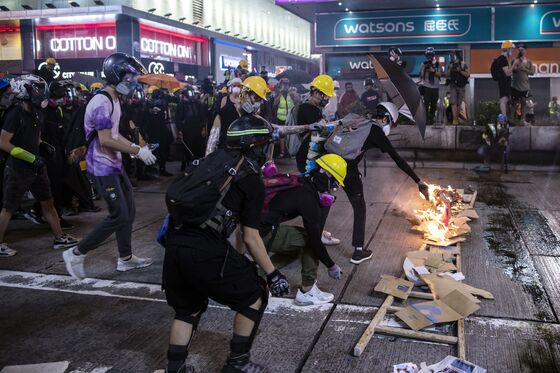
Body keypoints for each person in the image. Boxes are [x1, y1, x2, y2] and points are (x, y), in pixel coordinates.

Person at [161, 108, 290, 373]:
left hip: (175, 246)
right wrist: (273, 274)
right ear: (254, 147)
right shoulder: (251, 179)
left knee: (188, 308)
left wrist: (238, 258)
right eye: (265, 145)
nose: (268, 151)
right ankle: (238, 363)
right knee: (255, 294)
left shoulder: (209, 161)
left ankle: (175, 368)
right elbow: (250, 235)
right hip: (203, 248)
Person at [62, 53, 158, 279]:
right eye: (130, 77)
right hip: (101, 166)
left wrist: (136, 147)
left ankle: (125, 259)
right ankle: (76, 253)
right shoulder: (101, 102)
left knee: (130, 211)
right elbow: (104, 140)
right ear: (117, 75)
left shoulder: (114, 99)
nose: (133, 81)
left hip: (114, 163)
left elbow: (114, 135)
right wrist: (136, 151)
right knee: (119, 215)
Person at [0, 75, 79, 258]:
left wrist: (43, 146)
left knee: (48, 203)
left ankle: (60, 237)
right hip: (18, 168)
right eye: (35, 89)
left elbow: (35, 136)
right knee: (9, 208)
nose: (39, 93)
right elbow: (3, 142)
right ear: (24, 90)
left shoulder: (36, 112)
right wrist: (29, 157)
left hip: (36, 166)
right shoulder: (14, 114)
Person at [345, 102, 430, 264]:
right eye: (392, 123)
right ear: (385, 119)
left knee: (323, 202)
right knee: (360, 208)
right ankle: (358, 251)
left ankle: (317, 237)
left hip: (328, 164)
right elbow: (398, 160)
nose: (391, 126)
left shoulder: (362, 122)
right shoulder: (376, 131)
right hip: (347, 170)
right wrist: (418, 181)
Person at [260, 153, 345, 306]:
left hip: (250, 230)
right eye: (334, 183)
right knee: (311, 241)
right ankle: (308, 290)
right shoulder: (308, 199)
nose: (334, 188)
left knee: (295, 250)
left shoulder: (300, 182)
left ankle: (258, 275)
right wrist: (331, 266)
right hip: (262, 235)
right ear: (326, 174)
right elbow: (315, 238)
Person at [294, 74, 342, 246]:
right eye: (324, 95)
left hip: (315, 157)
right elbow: (320, 132)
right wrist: (337, 125)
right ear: (314, 92)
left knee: (319, 196)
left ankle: (317, 231)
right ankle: (316, 237)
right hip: (309, 159)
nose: (326, 98)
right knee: (323, 197)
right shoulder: (307, 109)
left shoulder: (316, 110)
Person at [205, 78, 243, 155]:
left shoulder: (244, 102)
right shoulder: (223, 100)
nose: (237, 88)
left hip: (240, 142)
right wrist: (209, 152)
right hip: (225, 140)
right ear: (230, 87)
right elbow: (217, 122)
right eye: (235, 85)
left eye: (239, 86)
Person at [272, 78, 298, 157]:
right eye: (284, 84)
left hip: (290, 118)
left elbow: (297, 101)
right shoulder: (278, 93)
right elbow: (275, 103)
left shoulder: (291, 93)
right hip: (281, 118)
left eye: (286, 84)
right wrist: (280, 93)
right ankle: (282, 152)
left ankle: (291, 151)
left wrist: (293, 94)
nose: (285, 86)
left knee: (291, 134)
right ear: (281, 85)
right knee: (282, 135)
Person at [511, 43, 535, 121]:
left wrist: (524, 69)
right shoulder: (514, 60)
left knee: (524, 103)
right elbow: (511, 70)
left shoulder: (529, 61)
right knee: (515, 103)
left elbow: (532, 72)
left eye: (522, 50)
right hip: (515, 85)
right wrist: (516, 68)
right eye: (519, 50)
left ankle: (522, 120)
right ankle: (513, 120)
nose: (521, 51)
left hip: (525, 85)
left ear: (525, 50)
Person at [419, 47, 442, 126]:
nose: (429, 56)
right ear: (426, 55)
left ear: (433, 55)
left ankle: (431, 119)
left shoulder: (438, 63)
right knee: (425, 104)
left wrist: (433, 71)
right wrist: (424, 68)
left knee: (434, 104)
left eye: (431, 55)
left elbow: (439, 74)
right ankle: (425, 120)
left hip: (435, 87)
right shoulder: (423, 63)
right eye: (428, 55)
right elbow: (421, 77)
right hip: (426, 86)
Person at [446, 50, 470, 125]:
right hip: (453, 85)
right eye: (451, 56)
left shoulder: (463, 64)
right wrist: (450, 68)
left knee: (459, 103)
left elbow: (467, 74)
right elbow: (447, 75)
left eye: (453, 55)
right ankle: (455, 120)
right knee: (453, 102)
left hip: (461, 85)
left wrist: (460, 71)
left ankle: (456, 118)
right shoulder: (450, 64)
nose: (452, 57)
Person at [495, 40, 515, 119]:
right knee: (503, 100)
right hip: (504, 83)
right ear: (507, 49)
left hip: (505, 82)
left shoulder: (504, 59)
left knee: (505, 100)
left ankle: (504, 118)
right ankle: (504, 119)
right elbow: (507, 73)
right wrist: (514, 64)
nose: (512, 51)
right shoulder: (502, 58)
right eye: (511, 49)